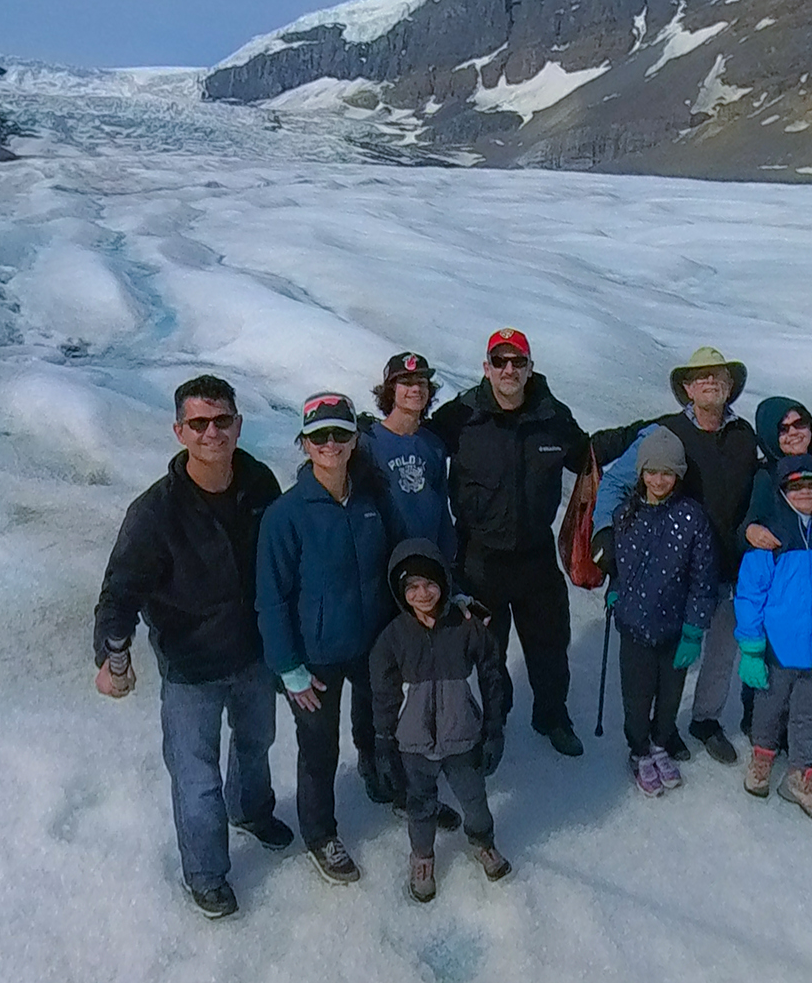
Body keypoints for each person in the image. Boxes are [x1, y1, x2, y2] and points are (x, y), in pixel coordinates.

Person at [92, 374, 291, 920]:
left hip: (253, 653)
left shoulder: (258, 482)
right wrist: (110, 657)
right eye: (198, 424)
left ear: (238, 425)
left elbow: (282, 561)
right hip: (190, 665)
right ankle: (206, 873)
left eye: (222, 421)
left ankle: (250, 810)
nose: (212, 433)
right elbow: (120, 591)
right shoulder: (155, 512)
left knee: (257, 743)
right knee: (197, 775)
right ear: (179, 431)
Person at [256, 391, 405, 884]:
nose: (331, 444)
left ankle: (377, 774)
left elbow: (395, 562)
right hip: (314, 660)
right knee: (318, 751)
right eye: (320, 436)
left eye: (340, 434)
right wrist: (288, 668)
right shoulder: (286, 514)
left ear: (355, 439)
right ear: (305, 443)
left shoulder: (370, 501)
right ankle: (320, 834)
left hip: (370, 644)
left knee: (375, 722)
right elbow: (271, 598)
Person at [590, 347, 760, 766]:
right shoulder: (664, 434)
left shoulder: (744, 436)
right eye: (700, 377)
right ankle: (659, 732)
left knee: (720, 652)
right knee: (671, 660)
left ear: (730, 386)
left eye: (718, 376)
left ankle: (704, 721)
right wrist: (604, 536)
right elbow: (614, 485)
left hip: (729, 565)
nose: (710, 383)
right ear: (686, 387)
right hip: (672, 575)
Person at [428, 328, 591, 758]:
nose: (508, 370)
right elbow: (416, 442)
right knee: (487, 650)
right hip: (481, 562)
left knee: (550, 645)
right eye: (499, 362)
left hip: (536, 558)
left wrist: (645, 442)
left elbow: (587, 455)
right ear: (486, 368)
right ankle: (494, 723)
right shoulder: (460, 416)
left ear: (530, 367)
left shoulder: (552, 415)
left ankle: (553, 716)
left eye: (517, 361)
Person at [370, 539, 513, 902]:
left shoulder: (467, 627)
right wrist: (384, 739)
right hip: (414, 743)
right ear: (401, 591)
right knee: (421, 804)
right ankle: (422, 857)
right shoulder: (393, 639)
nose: (423, 594)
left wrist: (494, 729)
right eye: (413, 586)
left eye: (430, 584)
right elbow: (384, 693)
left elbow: (492, 676)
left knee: (475, 799)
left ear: (444, 583)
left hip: (462, 737)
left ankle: (483, 842)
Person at [734, 455, 812, 822]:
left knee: (807, 715)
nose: (804, 493)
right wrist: (752, 648)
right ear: (782, 492)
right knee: (769, 707)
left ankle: (800, 774)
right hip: (778, 649)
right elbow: (750, 594)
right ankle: (762, 758)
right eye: (796, 487)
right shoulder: (770, 536)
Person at [605, 427, 719, 797]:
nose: (658, 480)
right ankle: (639, 751)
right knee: (637, 697)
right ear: (641, 474)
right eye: (652, 472)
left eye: (667, 473)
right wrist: (615, 591)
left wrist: (694, 629)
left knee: (669, 697)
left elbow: (703, 579)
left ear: (678, 476)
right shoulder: (626, 515)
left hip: (674, 630)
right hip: (635, 626)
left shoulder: (692, 519)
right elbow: (621, 565)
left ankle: (659, 743)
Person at [737, 396, 812, 737]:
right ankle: (760, 731)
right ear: (770, 436)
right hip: (777, 588)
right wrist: (749, 531)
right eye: (783, 428)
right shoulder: (765, 477)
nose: (794, 433)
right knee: (771, 672)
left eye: (801, 423)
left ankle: (796, 731)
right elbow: (745, 523)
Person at [358, 352, 458, 562]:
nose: (416, 389)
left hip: (427, 562)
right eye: (406, 382)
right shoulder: (367, 441)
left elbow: (441, 510)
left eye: (421, 382)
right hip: (384, 560)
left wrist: (448, 558)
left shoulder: (434, 445)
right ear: (390, 390)